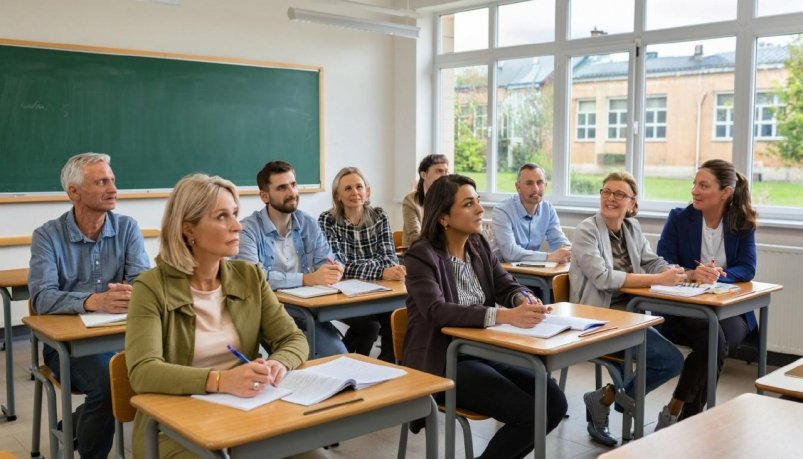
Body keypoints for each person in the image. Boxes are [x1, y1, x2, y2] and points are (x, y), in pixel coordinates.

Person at [126, 174, 309, 458]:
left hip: (244, 414)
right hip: (172, 425)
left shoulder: (249, 276)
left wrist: (277, 364)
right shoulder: (151, 287)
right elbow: (143, 372)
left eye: (235, 213)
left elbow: (293, 339)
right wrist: (222, 380)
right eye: (222, 217)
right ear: (189, 230)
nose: (237, 226)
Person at [404, 174, 567, 459]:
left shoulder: (477, 244)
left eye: (478, 201)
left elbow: (505, 284)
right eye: (468, 204)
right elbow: (436, 311)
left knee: (554, 403)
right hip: (444, 360)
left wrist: (521, 298)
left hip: (484, 351)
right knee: (529, 414)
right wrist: (504, 316)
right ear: (443, 218)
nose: (480, 209)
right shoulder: (422, 254)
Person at [28, 152, 150, 458]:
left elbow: (143, 281)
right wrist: (93, 301)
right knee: (110, 384)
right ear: (74, 192)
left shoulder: (127, 228)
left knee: (161, 368)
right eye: (101, 182)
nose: (113, 189)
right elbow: (41, 297)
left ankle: (79, 423)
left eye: (112, 180)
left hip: (122, 337)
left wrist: (135, 292)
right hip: (68, 348)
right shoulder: (47, 236)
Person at [569, 171, 685, 447]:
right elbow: (604, 278)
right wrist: (658, 280)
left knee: (670, 360)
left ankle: (605, 397)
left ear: (632, 204)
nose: (611, 198)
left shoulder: (632, 229)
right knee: (671, 360)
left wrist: (680, 273)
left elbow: (652, 261)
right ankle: (611, 399)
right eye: (606, 192)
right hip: (596, 317)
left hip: (628, 316)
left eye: (619, 194)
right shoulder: (586, 230)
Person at [655, 159, 757, 426]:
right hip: (681, 310)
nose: (695, 191)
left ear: (725, 192)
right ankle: (690, 421)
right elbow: (663, 262)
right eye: (695, 184)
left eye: (704, 185)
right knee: (714, 341)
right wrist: (692, 273)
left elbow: (747, 267)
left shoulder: (742, 223)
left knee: (719, 339)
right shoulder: (679, 218)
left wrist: (719, 275)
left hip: (725, 309)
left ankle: (677, 408)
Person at [235, 160, 347, 357]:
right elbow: (253, 278)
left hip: (306, 310)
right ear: (264, 196)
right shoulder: (248, 230)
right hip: (268, 314)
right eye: (282, 187)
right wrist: (306, 279)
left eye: (293, 185)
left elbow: (325, 261)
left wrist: (333, 270)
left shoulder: (308, 223)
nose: (292, 192)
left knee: (339, 356)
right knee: (318, 359)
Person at [318, 167, 405, 362]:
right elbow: (339, 265)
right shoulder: (327, 220)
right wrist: (381, 270)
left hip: (379, 292)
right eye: (347, 188)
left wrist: (376, 268)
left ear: (368, 191)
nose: (355, 192)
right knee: (369, 327)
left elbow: (390, 258)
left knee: (396, 319)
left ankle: (387, 368)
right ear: (337, 195)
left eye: (359, 187)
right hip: (343, 296)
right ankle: (349, 364)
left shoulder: (379, 216)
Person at [492, 163, 572, 264]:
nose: (536, 189)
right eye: (529, 183)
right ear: (518, 187)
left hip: (531, 269)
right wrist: (549, 257)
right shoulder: (502, 211)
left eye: (539, 183)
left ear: (546, 185)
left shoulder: (548, 209)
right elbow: (510, 253)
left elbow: (559, 241)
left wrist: (570, 251)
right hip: (503, 269)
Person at [401, 154, 449, 246]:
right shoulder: (411, 200)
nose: (445, 176)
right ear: (424, 174)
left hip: (445, 253)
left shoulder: (450, 198)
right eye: (439, 171)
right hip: (419, 253)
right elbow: (415, 236)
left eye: (446, 171)